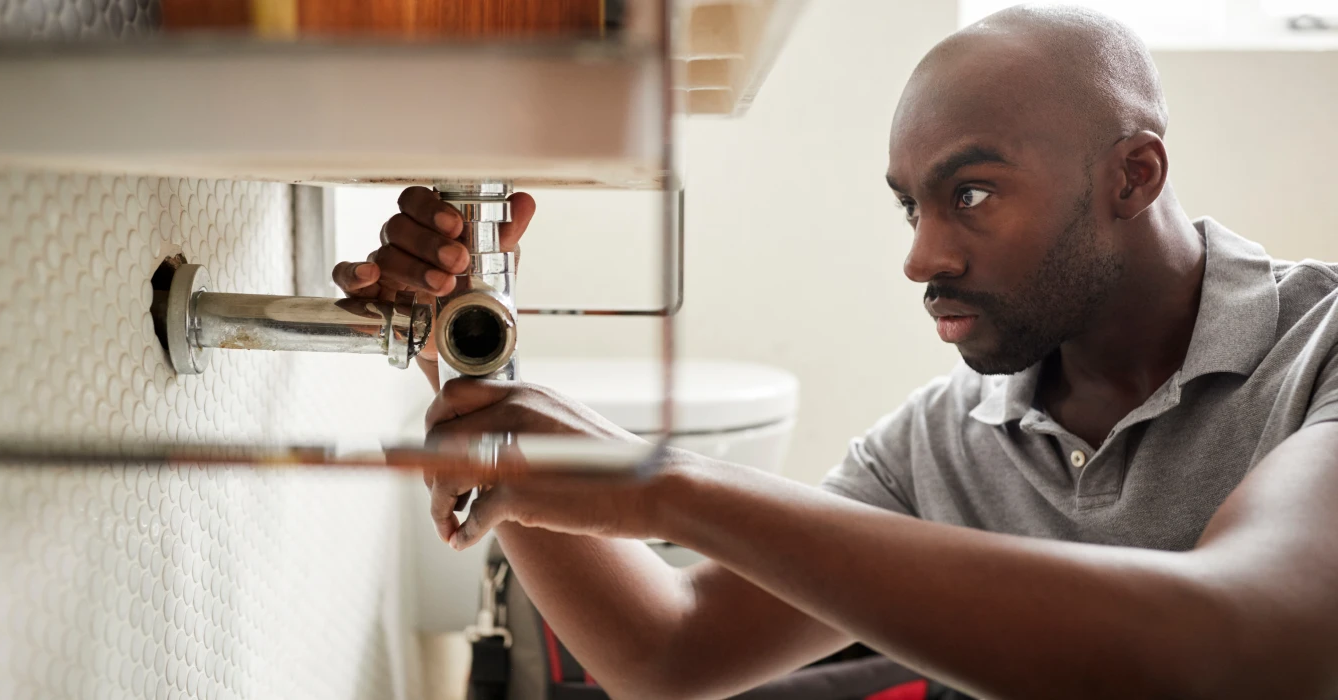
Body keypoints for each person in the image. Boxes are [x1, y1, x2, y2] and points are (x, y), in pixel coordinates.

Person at [333, 6, 1338, 698]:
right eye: (911, 208)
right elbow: (668, 652)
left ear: (1132, 175)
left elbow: (1246, 653)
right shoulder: (944, 442)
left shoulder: (1321, 350)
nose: (922, 258)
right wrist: (471, 353)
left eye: (971, 194)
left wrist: (664, 488)